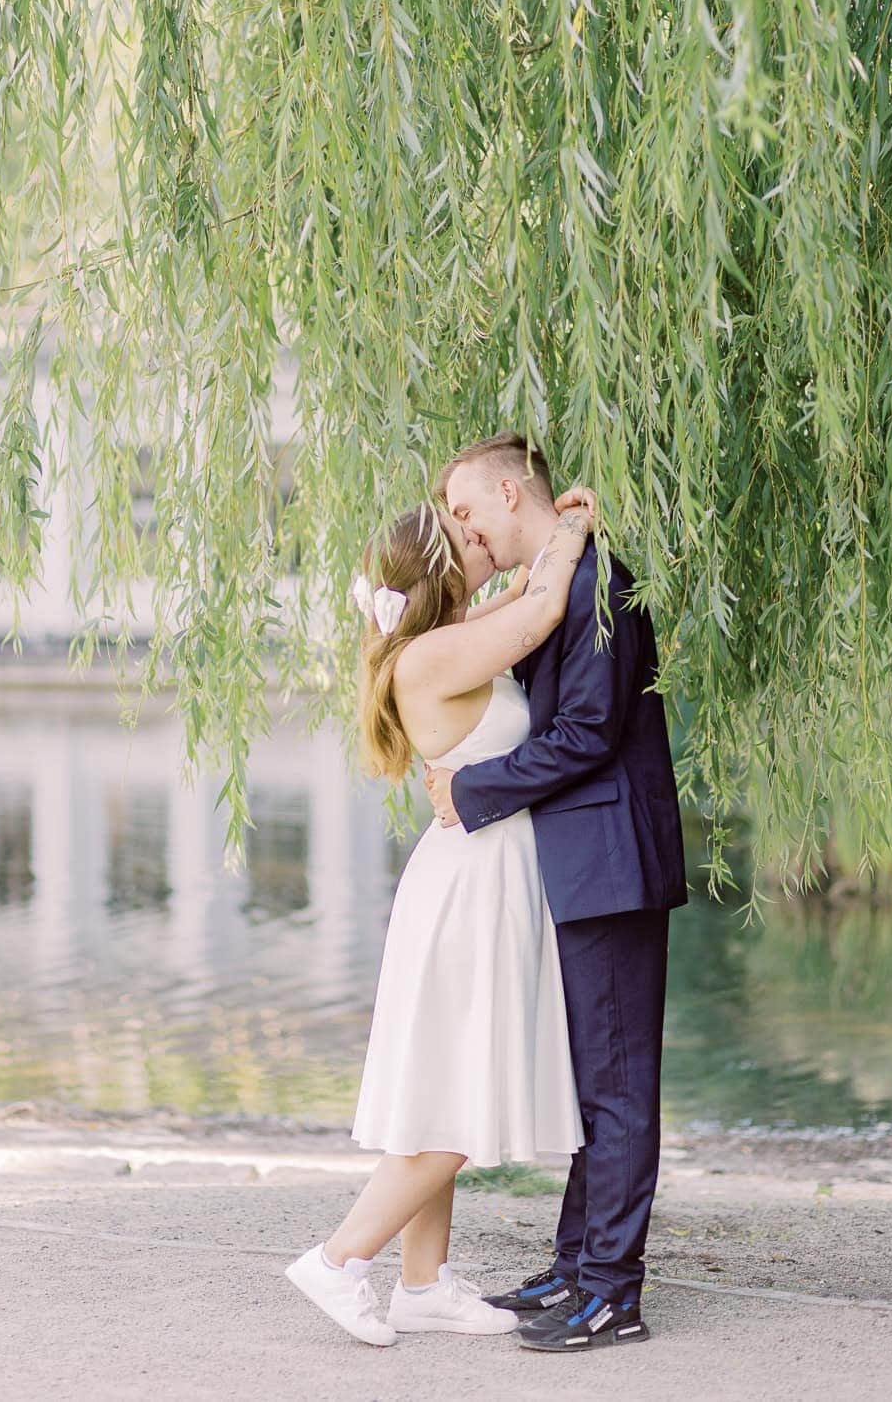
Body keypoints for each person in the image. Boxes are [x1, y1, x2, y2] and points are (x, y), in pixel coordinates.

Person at [285, 483, 596, 1348]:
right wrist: (569, 527)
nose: (474, 533)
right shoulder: (429, 659)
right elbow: (535, 618)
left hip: (480, 873)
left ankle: (423, 1284)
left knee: (440, 1086)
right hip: (471, 887)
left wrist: (529, 540)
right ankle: (341, 1259)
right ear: (436, 573)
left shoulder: (442, 641)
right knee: (456, 1102)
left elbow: (517, 602)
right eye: (461, 534)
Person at [425, 431, 687, 1353]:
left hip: (612, 863)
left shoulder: (593, 582)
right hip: (582, 864)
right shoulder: (557, 577)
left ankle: (613, 1290)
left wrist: (471, 790)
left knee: (616, 1090)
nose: (464, 529)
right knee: (591, 1086)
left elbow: (585, 732)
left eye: (466, 511)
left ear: (508, 491)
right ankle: (578, 1264)